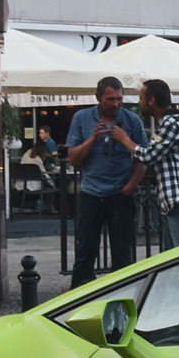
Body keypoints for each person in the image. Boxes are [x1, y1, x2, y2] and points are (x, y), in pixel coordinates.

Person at [65, 77, 146, 285]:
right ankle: (80, 297)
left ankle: (122, 294)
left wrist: (130, 187)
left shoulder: (131, 120)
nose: (115, 104)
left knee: (123, 253)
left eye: (119, 98)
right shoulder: (81, 118)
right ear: (98, 97)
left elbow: (144, 157)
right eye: (110, 99)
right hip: (91, 193)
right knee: (85, 251)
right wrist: (92, 140)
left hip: (121, 193)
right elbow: (73, 158)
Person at [124, 78, 179, 250]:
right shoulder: (174, 122)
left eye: (141, 98)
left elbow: (149, 156)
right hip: (177, 202)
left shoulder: (170, 124)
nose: (139, 103)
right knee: (172, 261)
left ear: (151, 100)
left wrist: (124, 139)